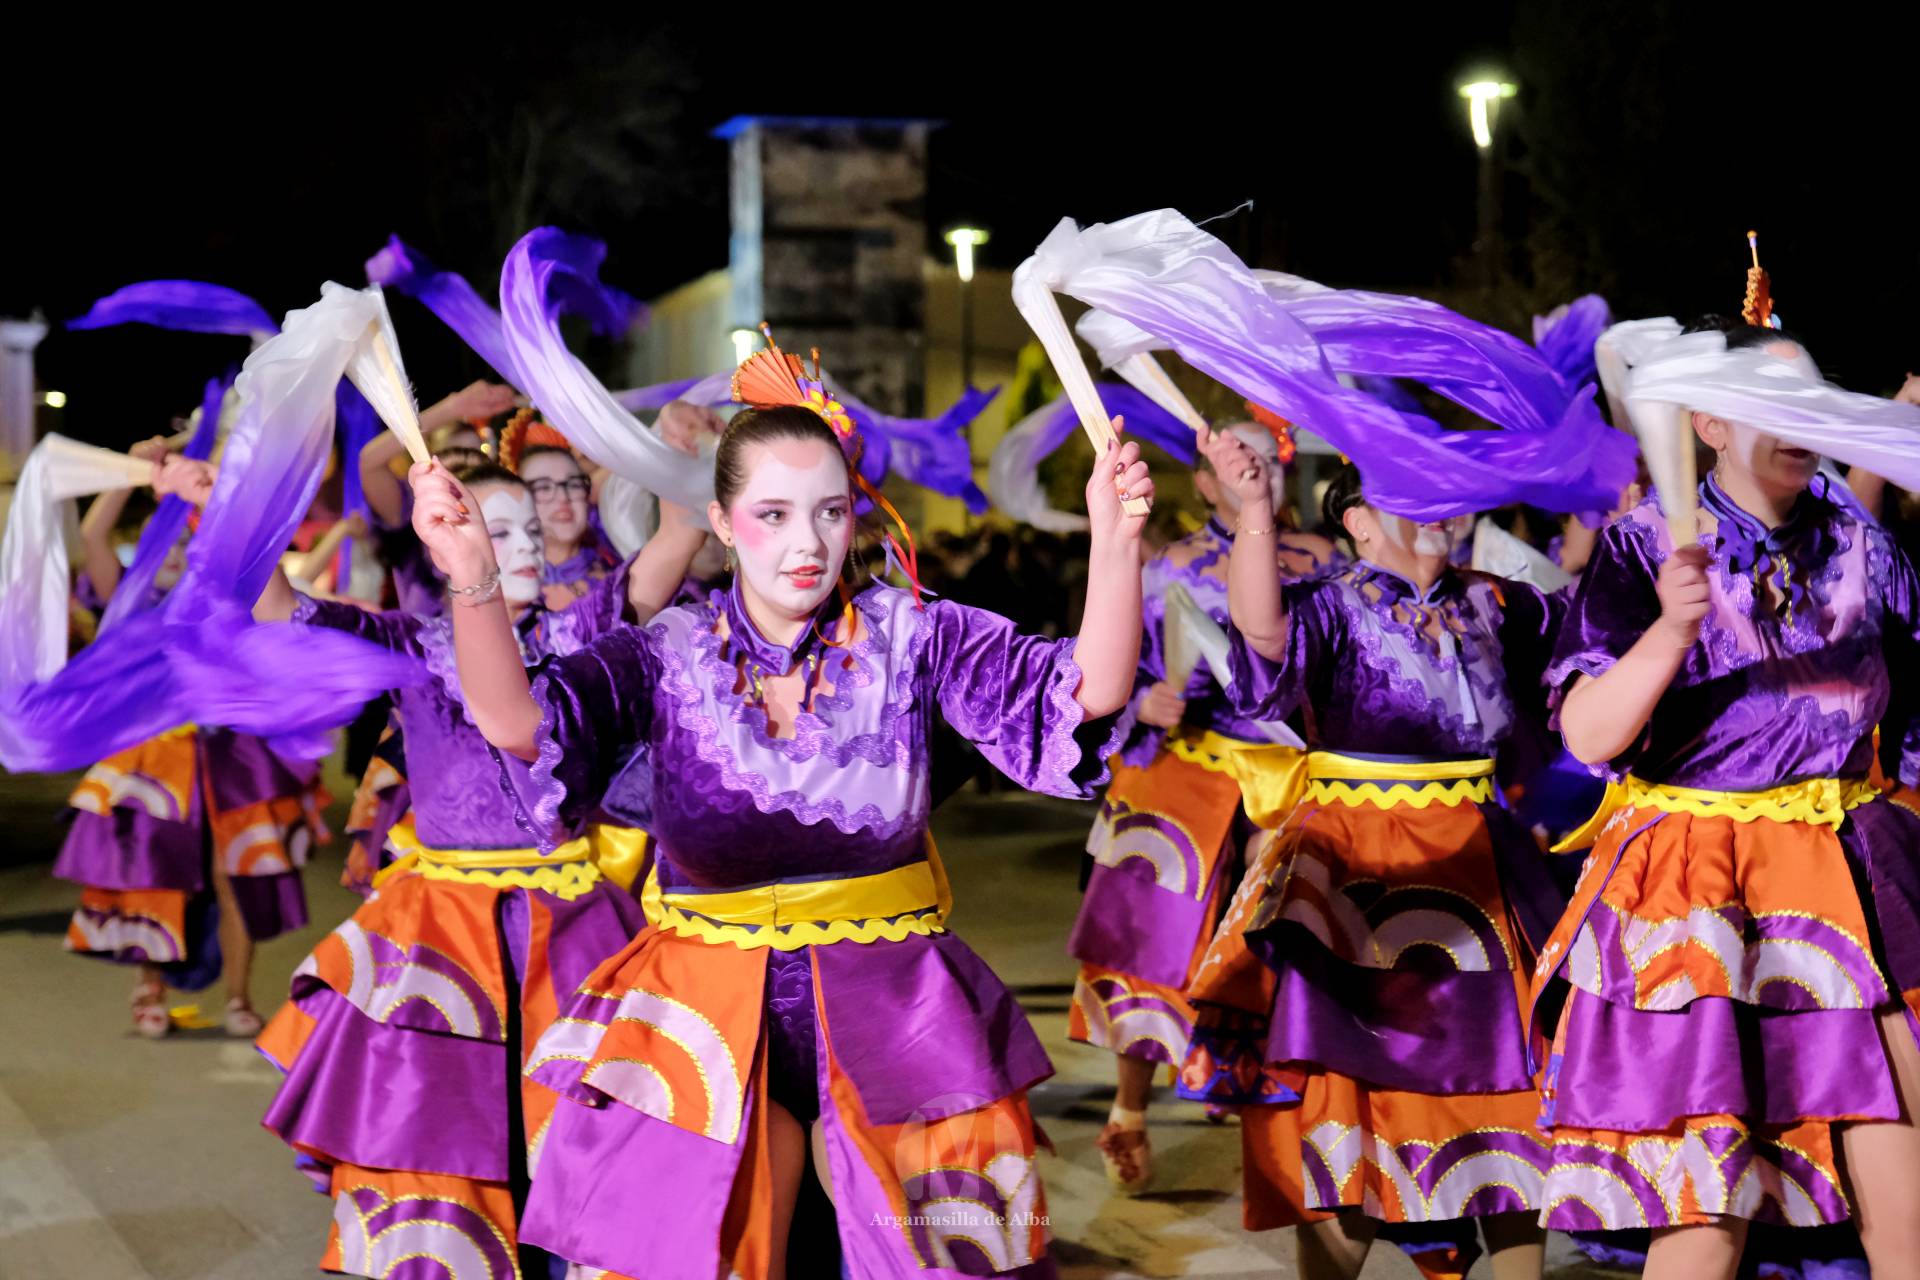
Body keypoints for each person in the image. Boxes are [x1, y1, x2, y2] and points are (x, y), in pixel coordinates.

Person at [429, 352, 1153, 1277]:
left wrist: (1115, 543)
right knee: (703, 1252)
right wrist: (471, 575)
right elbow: (521, 721)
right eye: (772, 515)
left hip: (896, 1008)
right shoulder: (667, 651)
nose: (805, 541)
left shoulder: (912, 633)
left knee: (933, 1255)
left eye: (828, 510)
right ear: (724, 526)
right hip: (701, 1016)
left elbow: (1081, 695)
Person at [249, 455, 707, 1279]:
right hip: (441, 929)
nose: (523, 548)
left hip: (573, 921)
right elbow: (276, 608)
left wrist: (683, 457)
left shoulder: (580, 632)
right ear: (444, 548)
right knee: (439, 1137)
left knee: (579, 1135)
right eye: (499, 534)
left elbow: (676, 540)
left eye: (527, 531)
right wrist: (252, 488)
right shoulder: (410, 645)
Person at [1536, 322, 1920, 1278]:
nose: (1802, 421)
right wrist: (1669, 631)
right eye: (1769, 400)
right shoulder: (1640, 547)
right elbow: (1587, 736)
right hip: (1702, 887)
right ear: (1706, 421)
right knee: (1707, 1200)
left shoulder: (1862, 543)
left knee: (1906, 1186)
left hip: (1855, 867)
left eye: (1813, 397)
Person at [1189, 427, 1567, 1280]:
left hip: (1483, 864)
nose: (1437, 505)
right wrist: (1255, 508)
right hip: (1363, 872)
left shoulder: (1500, 603)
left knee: (1510, 1098)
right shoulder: (1330, 605)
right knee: (1352, 1105)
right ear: (1357, 521)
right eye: (1410, 490)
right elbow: (1262, 635)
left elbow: (1596, 644)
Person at [1068, 417, 1331, 1192]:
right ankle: (1129, 1109)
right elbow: (1118, 665)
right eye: (1236, 460)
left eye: (1270, 456)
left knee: (1295, 950)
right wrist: (1138, 701)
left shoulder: (1325, 559)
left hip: (1295, 772)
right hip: (1194, 759)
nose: (1258, 469)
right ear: (1208, 482)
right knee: (1149, 935)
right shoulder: (1170, 566)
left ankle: (1298, 1107)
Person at [54, 445, 315, 1038]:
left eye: (185, 540)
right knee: (155, 871)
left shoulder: (234, 596)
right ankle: (149, 987)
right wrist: (133, 473)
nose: (174, 553)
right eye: (161, 543)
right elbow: (95, 534)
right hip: (152, 755)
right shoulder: (129, 602)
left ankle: (239, 996)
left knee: (237, 875)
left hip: (233, 753)